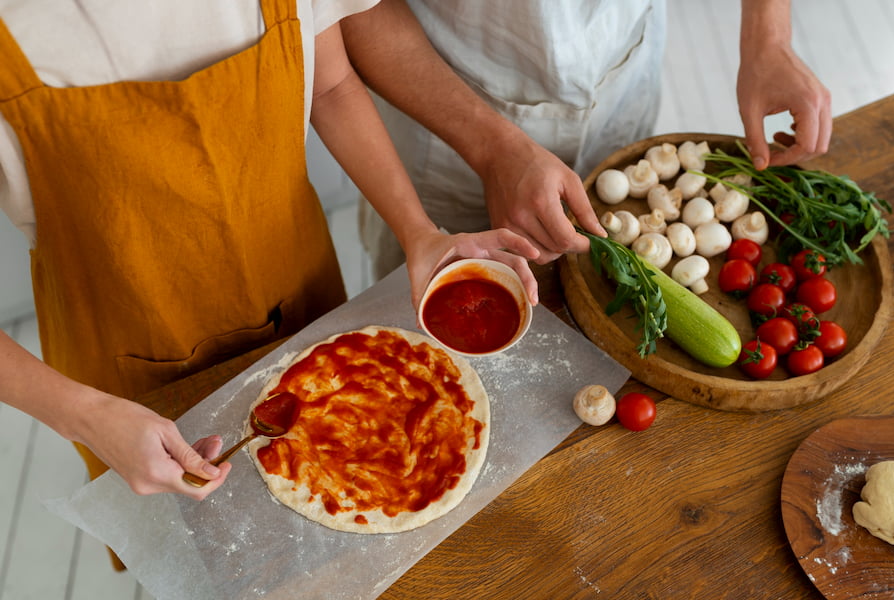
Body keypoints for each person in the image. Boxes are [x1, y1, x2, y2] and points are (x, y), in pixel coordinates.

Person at [0, 0, 540, 512]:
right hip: (125, 348)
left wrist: (419, 232)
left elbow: (329, 85)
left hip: (299, 292)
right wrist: (85, 415)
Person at [341, 0, 832, 279]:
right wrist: (491, 150)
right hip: (443, 102)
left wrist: (769, 37)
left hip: (620, 76)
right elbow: (342, 9)